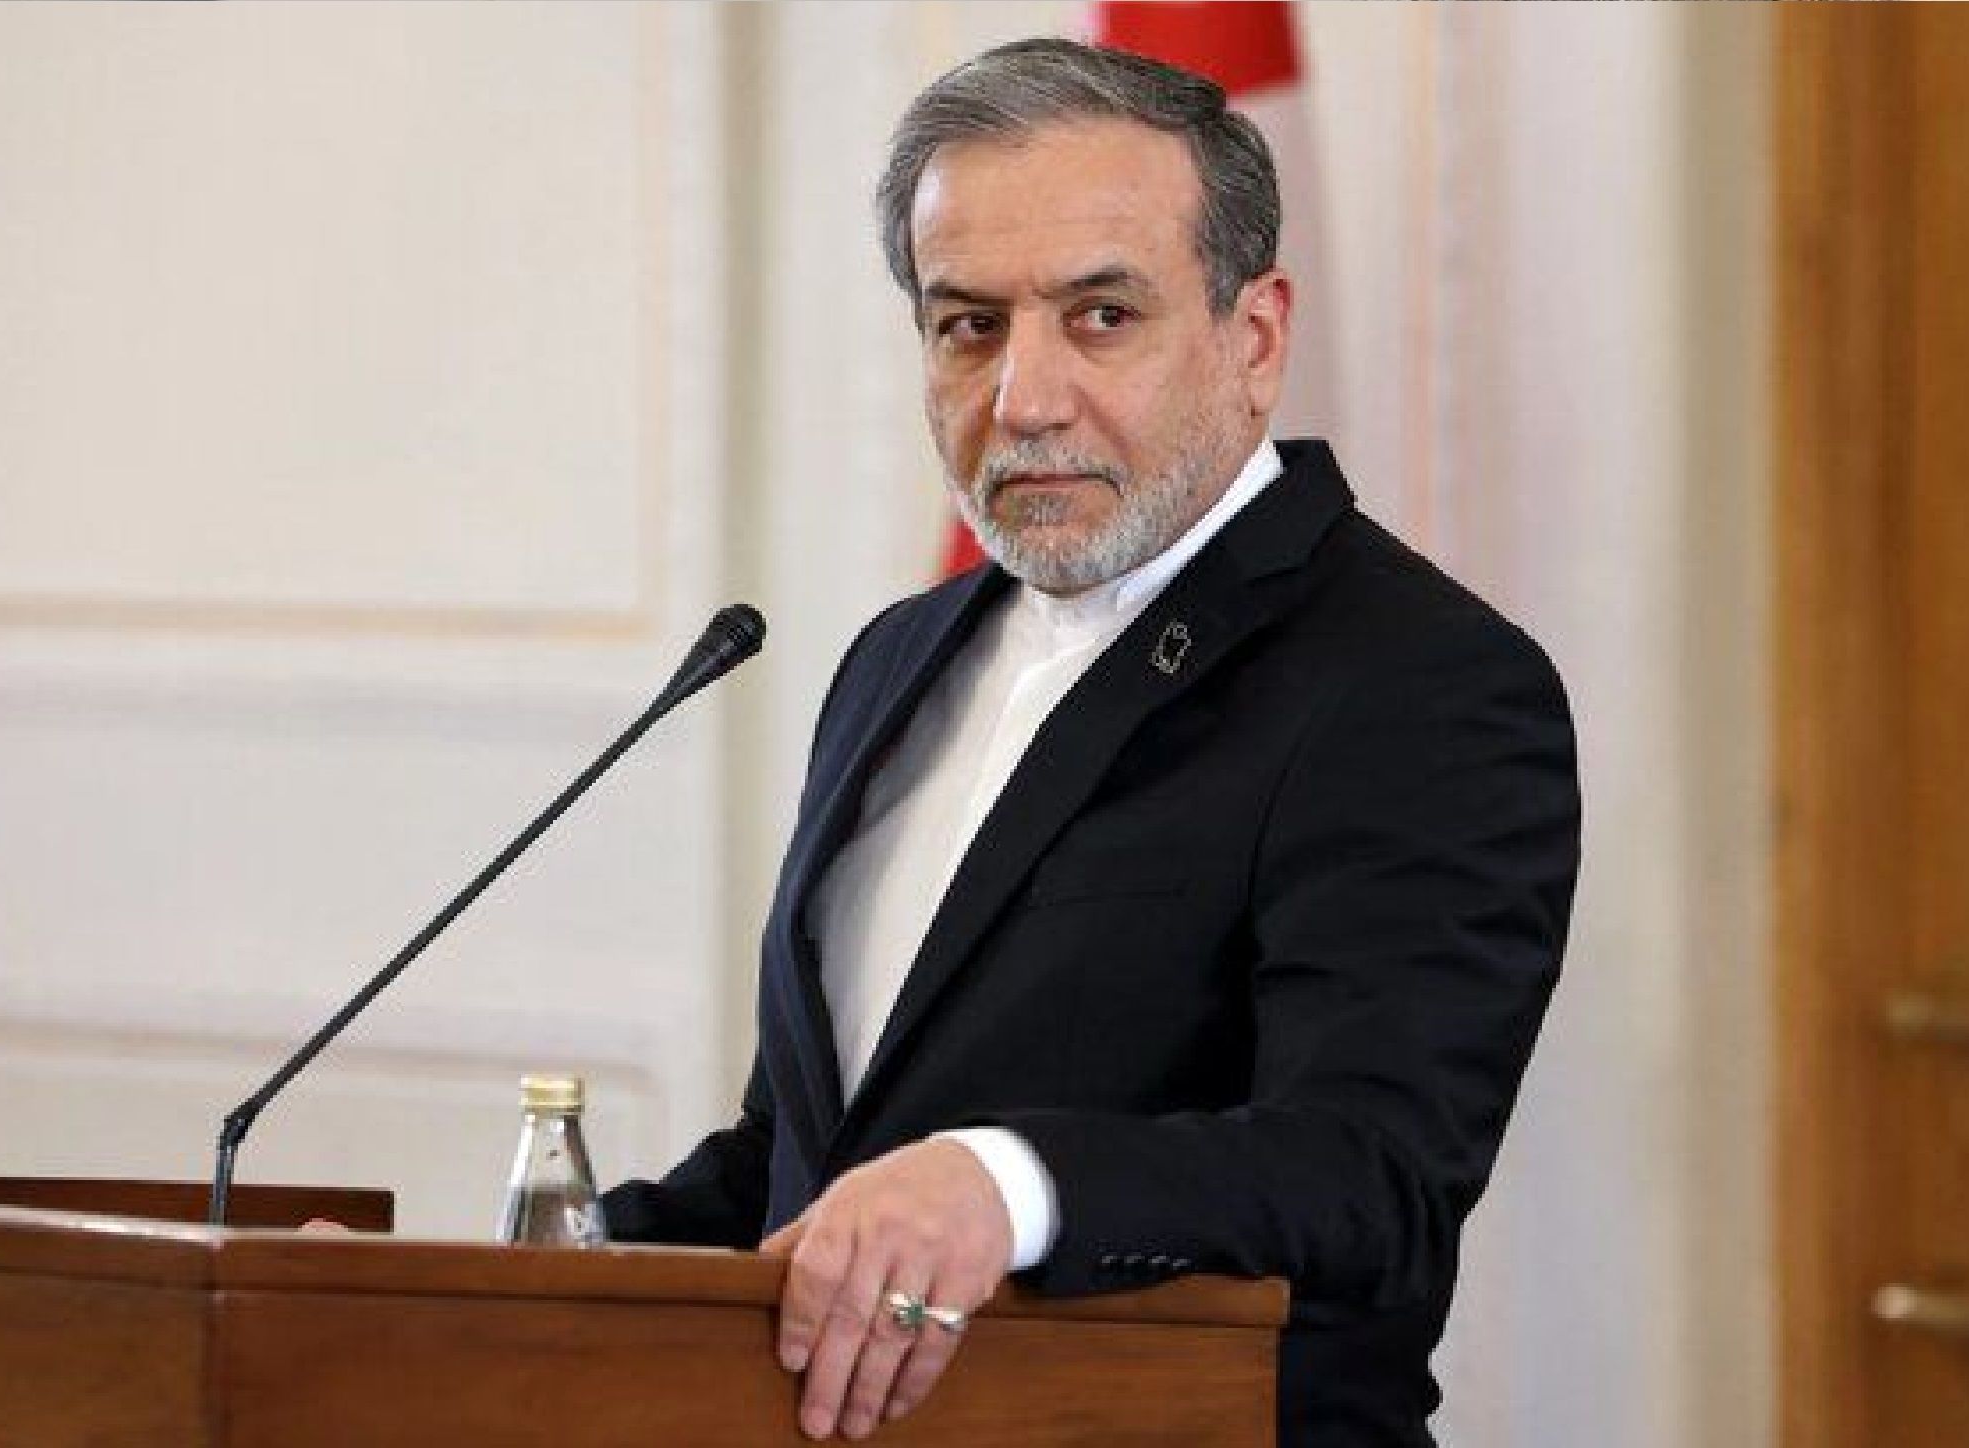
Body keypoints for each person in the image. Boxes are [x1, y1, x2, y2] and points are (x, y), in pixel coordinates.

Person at [603, 37, 1579, 1448]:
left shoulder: (1420, 683)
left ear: (1256, 339)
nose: (1025, 397)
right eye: (969, 325)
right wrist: (446, 1288)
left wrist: (1004, 1187)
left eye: (1102, 316)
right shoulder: (896, 659)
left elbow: (1367, 1174)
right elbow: (802, 1164)